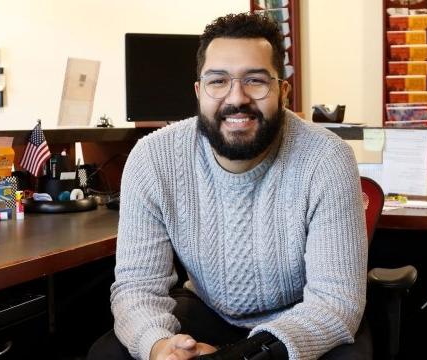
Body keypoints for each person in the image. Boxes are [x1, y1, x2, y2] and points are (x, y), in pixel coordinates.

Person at [88, 12, 369, 360]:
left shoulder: (327, 159)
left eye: (255, 81)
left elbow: (336, 301)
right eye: (218, 81)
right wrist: (161, 347)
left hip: (300, 319)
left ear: (282, 91)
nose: (236, 98)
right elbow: (137, 287)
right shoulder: (152, 158)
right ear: (198, 91)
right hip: (207, 311)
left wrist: (244, 355)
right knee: (108, 354)